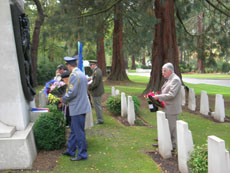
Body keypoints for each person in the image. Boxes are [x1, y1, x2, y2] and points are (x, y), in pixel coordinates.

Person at [60, 56, 91, 161]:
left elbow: (72, 92)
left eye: (67, 65)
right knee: (74, 130)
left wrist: (63, 99)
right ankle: (70, 150)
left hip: (77, 107)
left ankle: (82, 154)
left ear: (69, 65)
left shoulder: (73, 75)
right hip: (81, 106)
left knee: (79, 132)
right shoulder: (81, 73)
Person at [152, 62, 182, 152]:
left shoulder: (175, 80)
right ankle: (164, 142)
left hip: (172, 108)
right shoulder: (169, 79)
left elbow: (172, 94)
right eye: (162, 71)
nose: (163, 73)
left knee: (172, 129)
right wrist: (157, 96)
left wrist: (158, 97)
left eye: (164, 71)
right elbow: (166, 91)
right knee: (166, 127)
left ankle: (173, 146)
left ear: (170, 71)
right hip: (166, 107)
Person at [88, 60, 104, 125]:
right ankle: (99, 119)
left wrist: (90, 87)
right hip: (97, 91)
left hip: (97, 91)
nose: (90, 67)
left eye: (91, 65)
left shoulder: (96, 72)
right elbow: (93, 80)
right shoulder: (96, 71)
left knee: (97, 106)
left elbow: (95, 83)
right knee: (97, 105)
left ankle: (100, 120)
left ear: (94, 65)